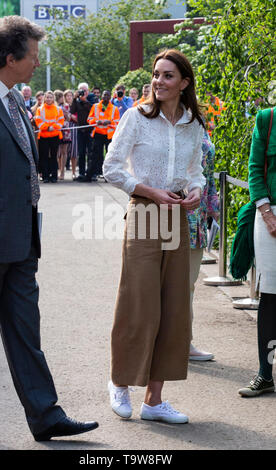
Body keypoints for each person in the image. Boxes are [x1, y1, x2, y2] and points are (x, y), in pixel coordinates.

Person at [0, 15, 98, 449]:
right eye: (33, 57)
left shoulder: (13, 99)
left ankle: (46, 416)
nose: (36, 64)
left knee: (27, 332)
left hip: (23, 241)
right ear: (11, 58)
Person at [103, 49, 205, 423]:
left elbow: (196, 171)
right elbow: (111, 168)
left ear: (184, 83)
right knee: (139, 302)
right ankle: (119, 382)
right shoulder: (136, 117)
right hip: (146, 212)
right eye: (156, 75)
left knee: (173, 306)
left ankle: (154, 399)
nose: (159, 82)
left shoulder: (194, 123)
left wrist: (194, 190)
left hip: (177, 213)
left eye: (167, 76)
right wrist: (148, 191)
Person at [239, 107, 276, 397]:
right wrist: (266, 212)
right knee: (271, 295)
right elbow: (255, 168)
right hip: (270, 216)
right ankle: (265, 373)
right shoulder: (267, 118)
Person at [187, 130, 219, 361]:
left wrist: (214, 208)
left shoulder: (197, 123)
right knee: (158, 285)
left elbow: (208, 177)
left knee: (187, 285)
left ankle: (183, 341)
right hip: (166, 214)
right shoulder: (157, 119)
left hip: (196, 219)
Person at [77, 90, 119, 182]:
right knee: (94, 156)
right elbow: (89, 119)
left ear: (110, 97)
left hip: (109, 135)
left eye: (108, 95)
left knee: (110, 156)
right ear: (102, 96)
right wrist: (96, 121)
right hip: (97, 134)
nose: (106, 97)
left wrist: (109, 122)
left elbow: (117, 122)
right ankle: (89, 176)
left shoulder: (114, 109)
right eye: (104, 95)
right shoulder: (95, 107)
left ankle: (109, 177)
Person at [35, 91, 64, 183]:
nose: (48, 99)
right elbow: (38, 121)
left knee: (54, 156)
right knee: (44, 156)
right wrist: (47, 127)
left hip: (55, 136)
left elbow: (61, 121)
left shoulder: (58, 109)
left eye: (50, 97)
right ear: (44, 98)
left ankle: (54, 176)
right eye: (47, 97)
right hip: (43, 136)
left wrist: (53, 127)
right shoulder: (40, 109)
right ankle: (45, 176)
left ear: (53, 99)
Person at [70, 84, 92, 181]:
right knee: (81, 152)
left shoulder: (92, 98)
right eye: (81, 90)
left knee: (90, 152)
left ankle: (91, 173)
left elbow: (92, 109)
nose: (83, 92)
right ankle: (81, 173)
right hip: (80, 130)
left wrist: (85, 101)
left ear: (88, 91)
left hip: (90, 130)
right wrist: (75, 99)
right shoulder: (77, 101)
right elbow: (72, 110)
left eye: (85, 90)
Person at [64, 89, 78, 179]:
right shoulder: (62, 107)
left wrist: (69, 114)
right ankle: (61, 172)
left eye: (70, 96)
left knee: (74, 150)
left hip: (73, 127)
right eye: (67, 96)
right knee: (62, 151)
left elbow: (77, 119)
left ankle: (73, 172)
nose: (69, 97)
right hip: (64, 128)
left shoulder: (75, 106)